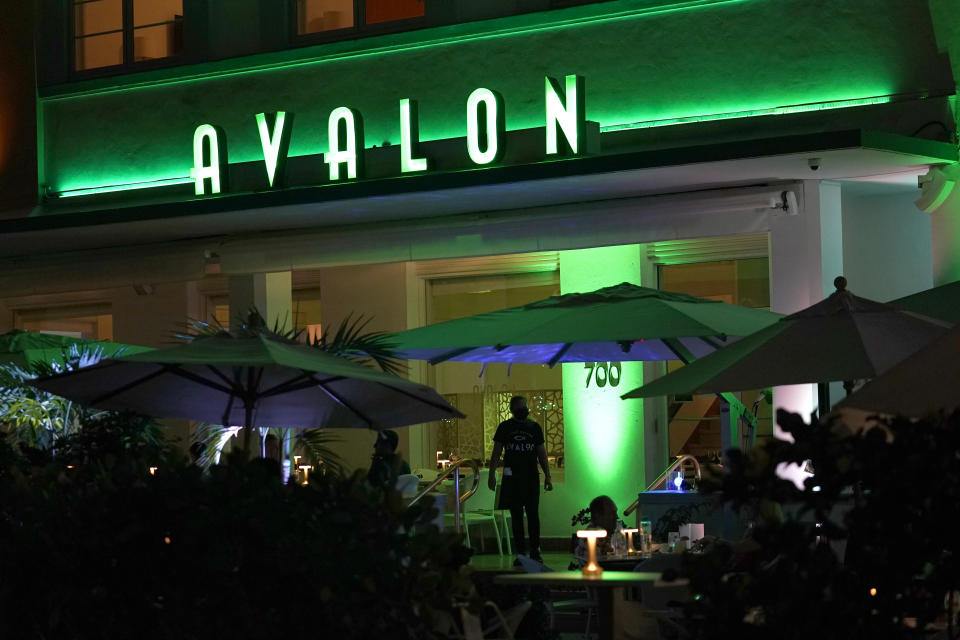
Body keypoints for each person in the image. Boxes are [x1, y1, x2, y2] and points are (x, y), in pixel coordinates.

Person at [488, 395, 553, 564]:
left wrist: (548, 476)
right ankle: (521, 554)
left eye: (524, 407)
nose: (522, 410)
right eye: (519, 408)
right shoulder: (504, 427)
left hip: (531, 477)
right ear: (512, 410)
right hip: (512, 479)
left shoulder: (534, 427)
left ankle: (534, 551)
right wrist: (491, 474)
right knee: (516, 517)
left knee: (533, 516)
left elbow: (541, 454)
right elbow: (496, 452)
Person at [573, 495, 626, 567]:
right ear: (598, 516)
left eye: (615, 513)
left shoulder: (613, 533)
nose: (616, 517)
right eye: (612, 513)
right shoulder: (591, 539)